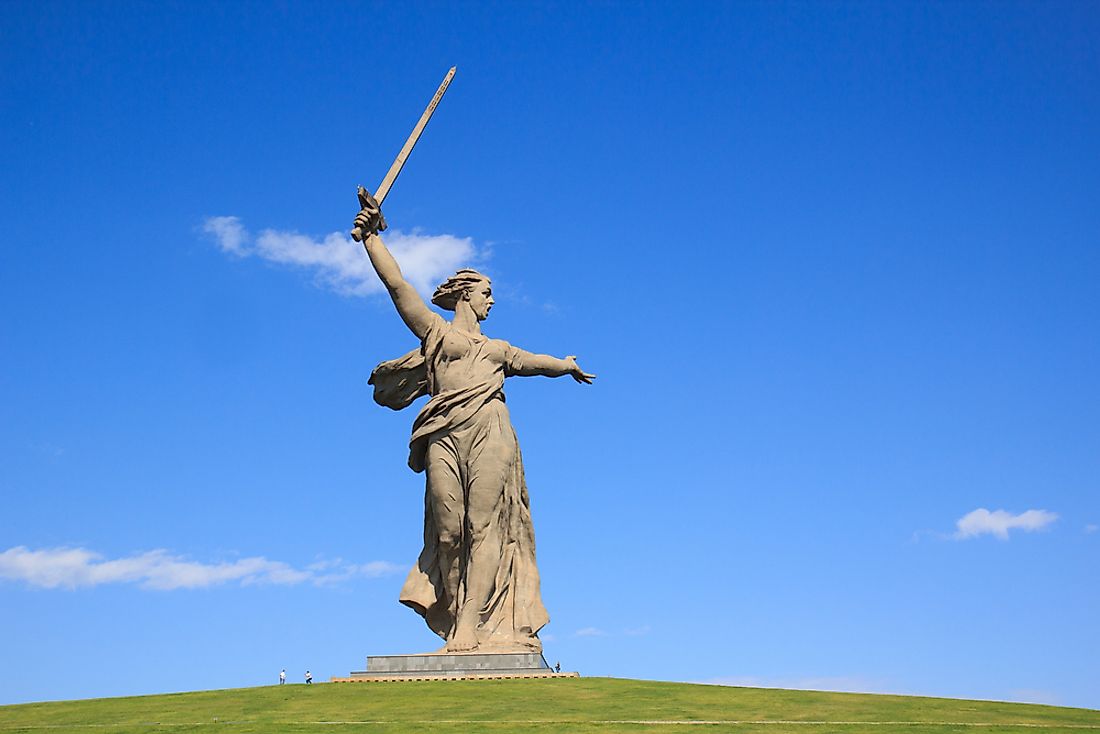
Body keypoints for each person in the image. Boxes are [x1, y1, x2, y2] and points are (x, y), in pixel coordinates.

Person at [356, 200, 595, 654]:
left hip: (489, 429)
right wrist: (372, 237)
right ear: (466, 294)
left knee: (485, 526)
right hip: (444, 432)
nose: (492, 299)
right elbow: (396, 285)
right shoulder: (437, 334)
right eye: (487, 291)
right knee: (449, 530)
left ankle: (470, 626)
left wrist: (564, 366)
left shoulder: (498, 349)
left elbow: (535, 362)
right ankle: (456, 614)